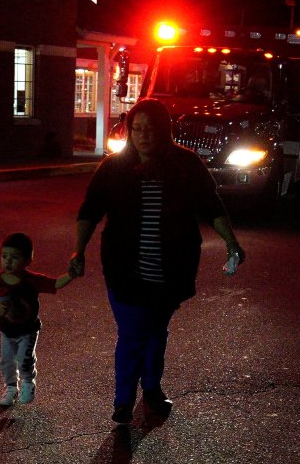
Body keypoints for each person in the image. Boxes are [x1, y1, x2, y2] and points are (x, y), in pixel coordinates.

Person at [70, 97, 245, 424]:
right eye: (136, 129)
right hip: (125, 270)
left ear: (164, 131)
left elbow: (211, 205)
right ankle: (124, 400)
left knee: (157, 331)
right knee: (134, 332)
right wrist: (78, 250)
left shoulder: (186, 164)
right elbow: (90, 209)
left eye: (150, 129)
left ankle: (151, 387)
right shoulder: (115, 166)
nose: (142, 136)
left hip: (171, 270)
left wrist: (231, 242)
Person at [0, 232, 77, 407]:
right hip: (7, 330)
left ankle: (28, 383)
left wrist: (71, 274)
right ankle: (11, 387)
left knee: (24, 358)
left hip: (27, 330)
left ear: (28, 260)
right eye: (4, 256)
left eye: (14, 257)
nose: (8, 261)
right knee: (6, 361)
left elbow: (55, 284)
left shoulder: (31, 280)